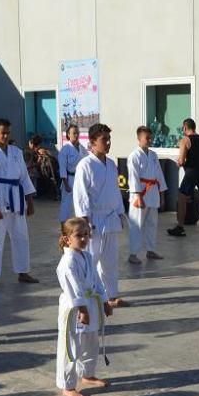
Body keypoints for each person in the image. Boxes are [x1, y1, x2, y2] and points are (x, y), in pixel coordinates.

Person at [56, 217, 113, 396]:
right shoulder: (67, 262)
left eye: (86, 235)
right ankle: (68, 385)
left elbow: (97, 281)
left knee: (91, 342)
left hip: (91, 304)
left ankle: (87, 375)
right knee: (71, 347)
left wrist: (104, 301)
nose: (84, 239)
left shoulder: (87, 256)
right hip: (75, 309)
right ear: (67, 239)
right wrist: (82, 309)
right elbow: (74, 289)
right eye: (79, 235)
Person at [74, 123, 128, 308]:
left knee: (111, 261)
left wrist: (121, 213)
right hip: (94, 220)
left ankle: (111, 296)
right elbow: (81, 196)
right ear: (92, 142)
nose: (108, 143)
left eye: (109, 139)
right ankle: (87, 295)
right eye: (104, 139)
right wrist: (85, 222)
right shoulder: (85, 165)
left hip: (111, 218)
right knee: (91, 260)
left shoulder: (111, 164)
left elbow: (115, 191)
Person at [0, 118, 38, 290]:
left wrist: (30, 200)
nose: (5, 135)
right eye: (2, 132)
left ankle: (23, 272)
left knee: (21, 236)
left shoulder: (16, 152)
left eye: (8, 132)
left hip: (17, 197)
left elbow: (24, 177)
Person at [127, 126, 168, 264]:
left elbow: (159, 175)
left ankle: (150, 250)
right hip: (140, 194)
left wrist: (162, 194)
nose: (150, 140)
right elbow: (133, 176)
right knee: (136, 224)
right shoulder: (134, 156)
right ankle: (133, 253)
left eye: (151, 137)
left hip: (153, 193)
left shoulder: (153, 155)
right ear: (139, 139)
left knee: (152, 224)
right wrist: (138, 195)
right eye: (147, 138)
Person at [58, 124, 87, 222]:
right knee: (66, 205)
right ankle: (64, 227)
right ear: (68, 135)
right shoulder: (65, 149)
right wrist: (66, 183)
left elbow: (87, 163)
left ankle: (77, 226)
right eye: (74, 133)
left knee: (79, 203)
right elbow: (62, 168)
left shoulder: (82, 148)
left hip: (80, 179)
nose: (76, 135)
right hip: (69, 178)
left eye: (77, 133)